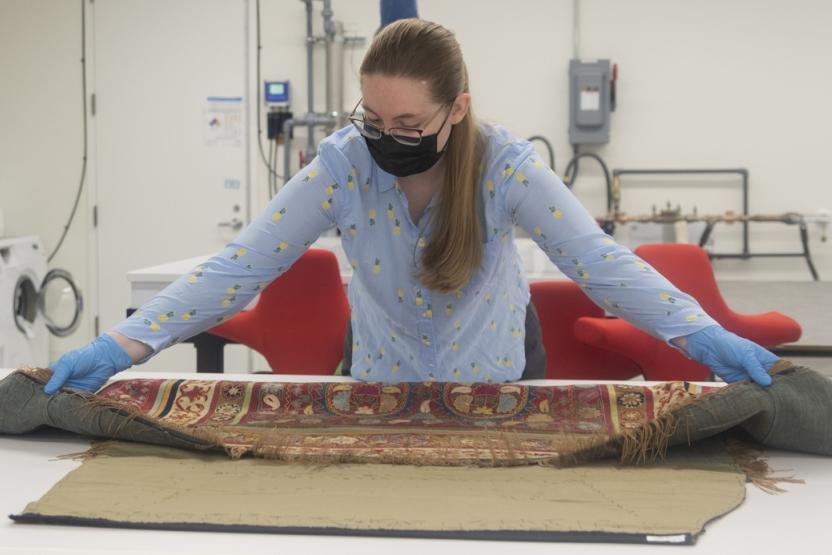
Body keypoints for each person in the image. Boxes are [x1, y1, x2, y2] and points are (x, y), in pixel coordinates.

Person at [44, 19, 779, 395]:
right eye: (372, 118)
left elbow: (602, 265)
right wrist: (126, 343)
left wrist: (703, 334)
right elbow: (242, 266)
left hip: (495, 380)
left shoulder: (505, 168)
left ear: (456, 109)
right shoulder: (342, 164)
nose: (385, 139)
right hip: (381, 382)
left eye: (407, 126)